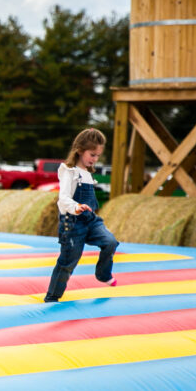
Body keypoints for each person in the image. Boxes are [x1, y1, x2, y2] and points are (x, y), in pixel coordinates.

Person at [44, 128, 119, 303]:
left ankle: (103, 274)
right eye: (92, 155)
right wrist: (76, 207)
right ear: (79, 151)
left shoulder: (88, 173)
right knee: (68, 262)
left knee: (110, 242)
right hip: (73, 223)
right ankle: (52, 296)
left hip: (91, 221)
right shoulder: (69, 172)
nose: (95, 159)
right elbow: (63, 199)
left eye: (98, 156)